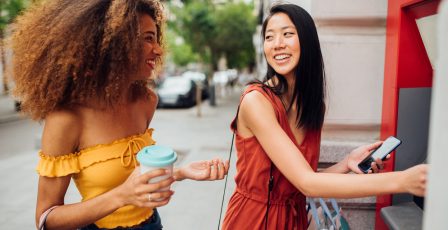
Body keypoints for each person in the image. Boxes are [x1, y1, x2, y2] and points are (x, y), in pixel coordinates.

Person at [11, 0, 229, 229]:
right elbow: (46, 219)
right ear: (114, 42)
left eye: (155, 38)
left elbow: (133, 175)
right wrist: (121, 196)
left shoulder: (146, 101)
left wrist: (180, 173)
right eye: (147, 38)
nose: (158, 49)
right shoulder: (67, 118)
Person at [222, 3, 427, 230]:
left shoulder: (312, 106)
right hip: (253, 220)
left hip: (293, 220)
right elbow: (307, 183)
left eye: (287, 34)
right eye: (269, 37)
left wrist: (347, 162)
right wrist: (403, 181)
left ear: (307, 41)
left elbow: (296, 180)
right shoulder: (256, 101)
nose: (277, 44)